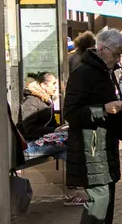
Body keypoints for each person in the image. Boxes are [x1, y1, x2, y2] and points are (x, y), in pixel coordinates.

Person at [65, 29, 122, 224]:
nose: (119, 59)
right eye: (117, 54)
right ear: (102, 50)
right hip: (90, 146)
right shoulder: (83, 73)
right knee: (99, 199)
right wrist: (104, 109)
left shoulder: (105, 71)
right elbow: (72, 113)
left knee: (108, 197)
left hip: (105, 143)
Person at [17, 72, 86, 206]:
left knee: (69, 151)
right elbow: (29, 129)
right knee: (70, 146)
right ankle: (75, 191)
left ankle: (73, 191)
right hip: (30, 145)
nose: (56, 87)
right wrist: (54, 131)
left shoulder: (46, 101)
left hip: (44, 141)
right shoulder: (31, 101)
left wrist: (62, 128)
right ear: (43, 85)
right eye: (53, 83)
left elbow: (52, 125)